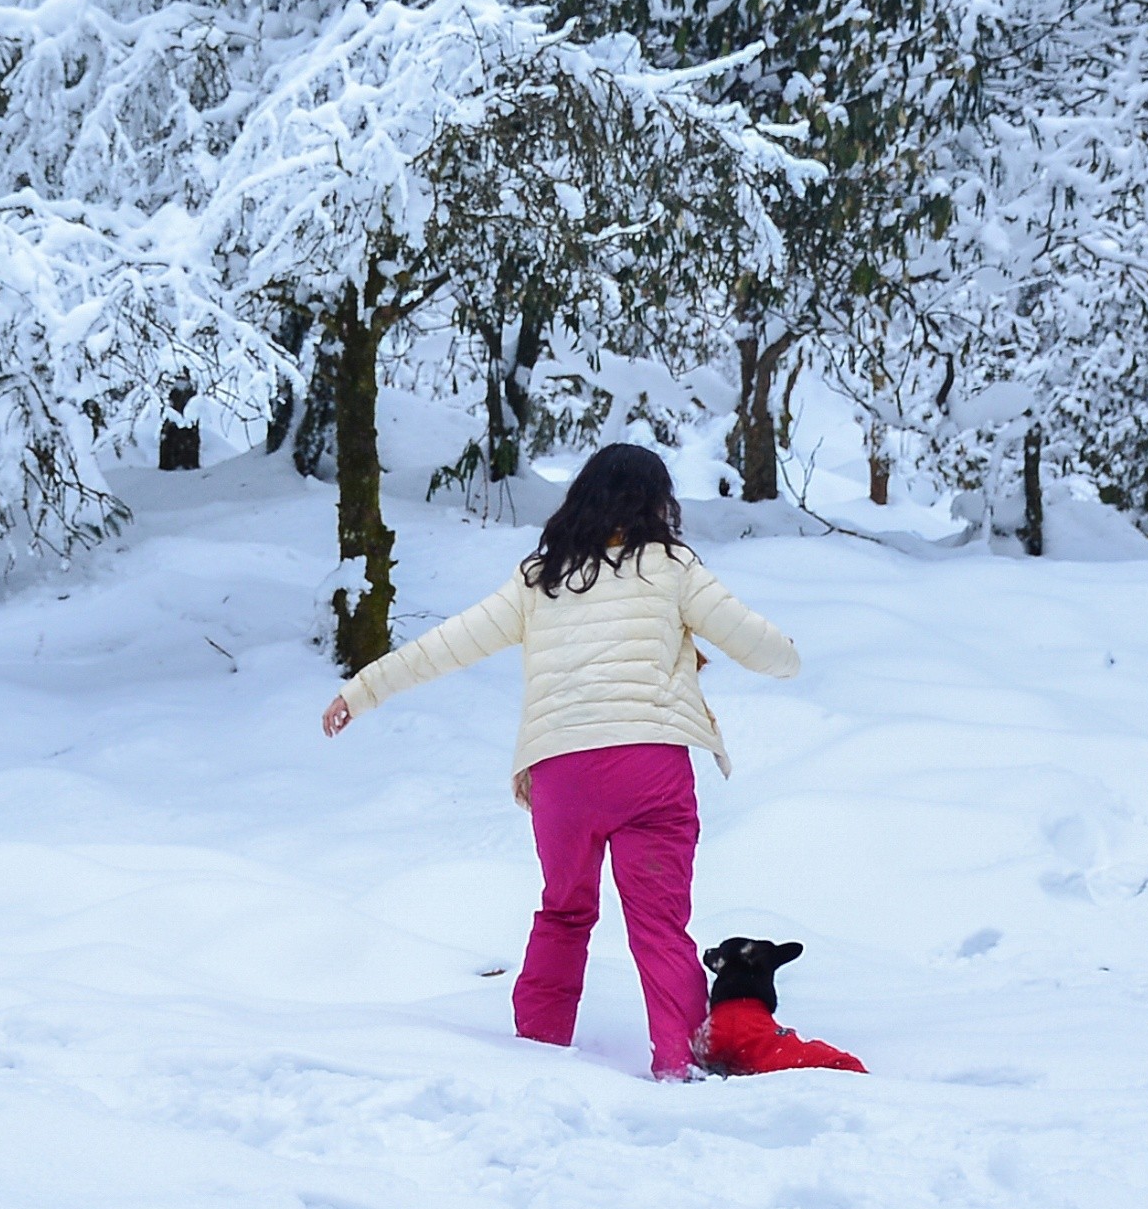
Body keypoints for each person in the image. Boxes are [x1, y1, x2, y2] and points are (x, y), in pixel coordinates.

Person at [319, 442, 799, 1081]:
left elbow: (446, 645)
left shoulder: (539, 578)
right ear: (658, 504)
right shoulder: (673, 568)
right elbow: (763, 648)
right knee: (659, 926)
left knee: (565, 911)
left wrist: (362, 690)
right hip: (649, 768)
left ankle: (538, 1056)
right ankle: (679, 1064)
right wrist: (786, 654)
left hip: (563, 775)